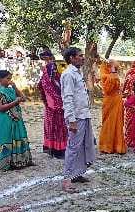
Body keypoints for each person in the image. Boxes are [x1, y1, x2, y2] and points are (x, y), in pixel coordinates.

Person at [60, 47, 96, 184]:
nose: (83, 58)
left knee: (83, 146)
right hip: (76, 117)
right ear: (72, 58)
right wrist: (72, 120)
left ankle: (77, 173)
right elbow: (67, 98)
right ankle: (67, 178)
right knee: (73, 147)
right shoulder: (69, 74)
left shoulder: (77, 73)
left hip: (84, 114)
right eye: (80, 56)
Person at [0, 70, 34, 171]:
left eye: (10, 78)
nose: (10, 81)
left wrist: (15, 87)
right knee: (6, 139)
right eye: (7, 79)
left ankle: (21, 161)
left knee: (18, 137)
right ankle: (6, 163)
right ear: (0, 79)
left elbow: (23, 98)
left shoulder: (11, 90)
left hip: (16, 118)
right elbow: (0, 108)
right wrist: (15, 102)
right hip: (5, 119)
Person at [37, 50, 68, 159]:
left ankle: (56, 148)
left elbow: (44, 84)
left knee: (55, 125)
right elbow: (45, 84)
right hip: (55, 103)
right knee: (58, 126)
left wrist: (50, 100)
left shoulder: (51, 67)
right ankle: (59, 149)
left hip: (54, 103)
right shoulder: (52, 68)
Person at [98, 60, 127, 154]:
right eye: (114, 67)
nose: (116, 69)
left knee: (118, 123)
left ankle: (117, 146)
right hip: (110, 102)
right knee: (109, 123)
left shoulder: (113, 75)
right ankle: (107, 146)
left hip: (117, 101)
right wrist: (113, 72)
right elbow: (108, 90)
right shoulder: (106, 76)